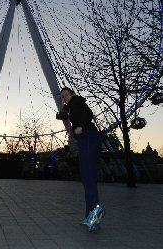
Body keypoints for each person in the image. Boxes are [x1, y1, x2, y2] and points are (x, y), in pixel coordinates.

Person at [61, 87, 105, 232]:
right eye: (63, 96)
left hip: (88, 137)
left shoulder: (76, 102)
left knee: (88, 176)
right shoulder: (71, 107)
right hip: (86, 138)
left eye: (66, 95)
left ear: (72, 94)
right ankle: (90, 216)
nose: (65, 98)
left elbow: (88, 114)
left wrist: (79, 126)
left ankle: (95, 214)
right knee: (88, 177)